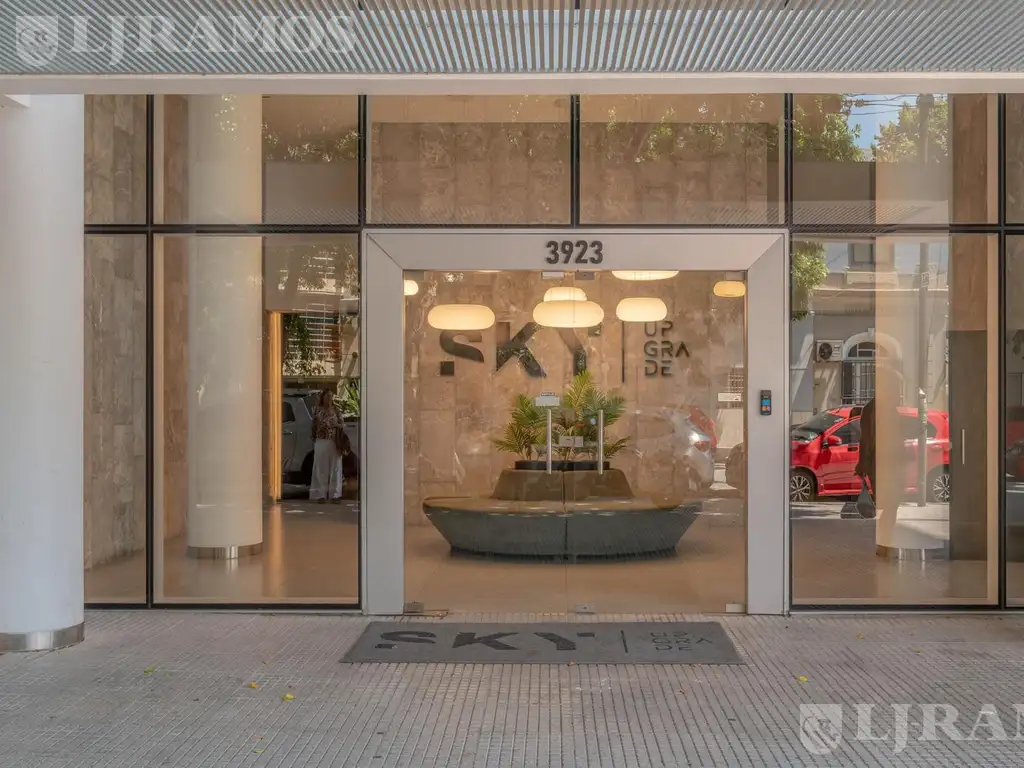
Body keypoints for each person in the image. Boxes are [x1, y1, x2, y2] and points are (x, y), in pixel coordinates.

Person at [854, 367, 905, 516]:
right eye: (896, 387)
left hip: (890, 465)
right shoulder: (873, 410)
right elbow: (866, 439)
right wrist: (863, 464)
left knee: (891, 505)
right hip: (882, 466)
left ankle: (886, 528)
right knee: (890, 505)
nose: (899, 393)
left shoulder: (888, 409)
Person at [309, 389, 340, 503]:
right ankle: (320, 495)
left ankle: (335, 495)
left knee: (335, 468)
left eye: (331, 396)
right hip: (321, 440)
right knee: (320, 468)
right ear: (323, 397)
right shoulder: (317, 410)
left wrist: (336, 425)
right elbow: (313, 425)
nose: (329, 398)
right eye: (327, 396)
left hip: (334, 441)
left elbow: (342, 424)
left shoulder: (336, 410)